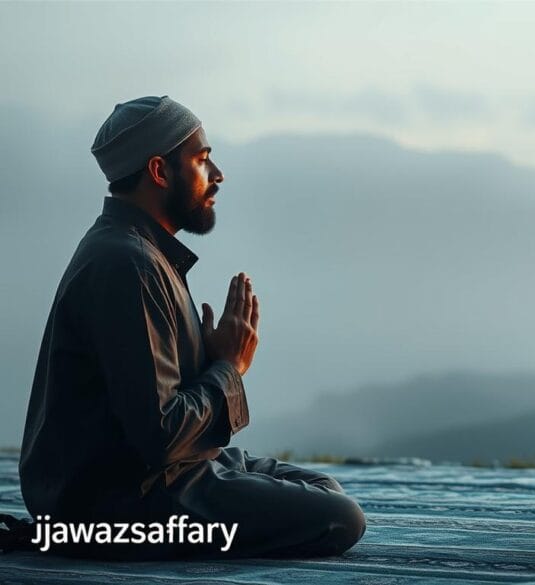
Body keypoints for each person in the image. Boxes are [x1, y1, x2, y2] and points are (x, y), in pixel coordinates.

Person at [10, 96, 366, 560]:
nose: (217, 174)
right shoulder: (128, 264)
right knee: (341, 517)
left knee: (321, 487)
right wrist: (228, 367)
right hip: (116, 511)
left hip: (154, 478)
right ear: (159, 171)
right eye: (201, 160)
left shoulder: (139, 253)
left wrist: (206, 362)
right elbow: (160, 436)